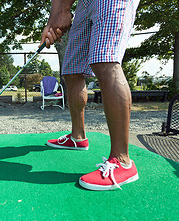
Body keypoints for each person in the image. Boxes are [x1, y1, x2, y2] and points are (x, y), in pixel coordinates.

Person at [40, 0, 140, 191]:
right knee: (72, 70)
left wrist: (62, 11)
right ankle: (78, 138)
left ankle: (123, 160)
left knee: (105, 59)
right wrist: (56, 16)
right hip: (85, 3)